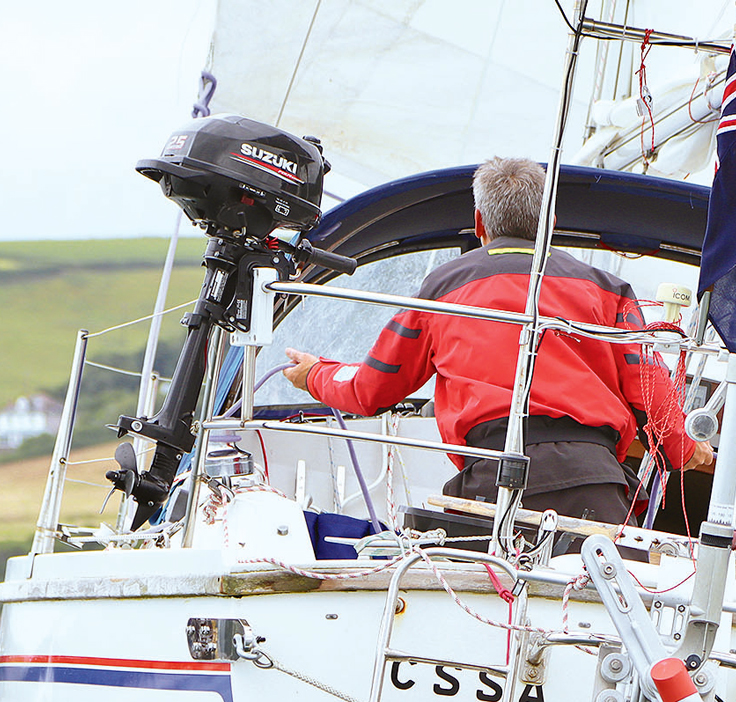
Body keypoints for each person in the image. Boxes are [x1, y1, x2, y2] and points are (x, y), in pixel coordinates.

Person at [281, 156, 713, 525]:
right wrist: (687, 449)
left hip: (492, 479)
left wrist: (315, 374)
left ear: (479, 223)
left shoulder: (442, 288)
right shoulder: (608, 289)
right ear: (552, 223)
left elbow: (371, 388)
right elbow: (650, 390)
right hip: (594, 483)